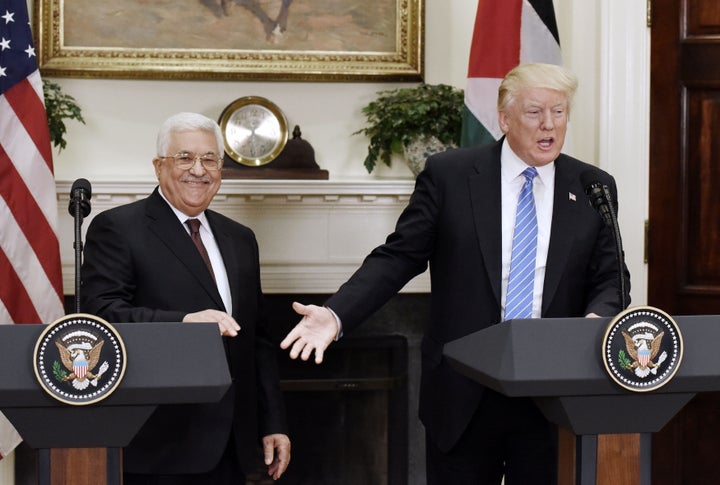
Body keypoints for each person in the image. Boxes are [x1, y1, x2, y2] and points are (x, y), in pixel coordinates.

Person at [280, 63, 631, 485]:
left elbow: (611, 279)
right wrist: (336, 315)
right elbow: (398, 257)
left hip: (551, 392)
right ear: (505, 117)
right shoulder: (451, 175)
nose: (550, 125)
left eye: (559, 112)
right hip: (465, 389)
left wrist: (594, 323)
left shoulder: (592, 185)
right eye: (536, 112)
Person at [81, 112, 291, 484]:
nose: (199, 169)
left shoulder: (240, 238)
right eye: (185, 157)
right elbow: (102, 318)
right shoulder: (117, 228)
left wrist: (272, 422)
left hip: (233, 447)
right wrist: (183, 324)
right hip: (157, 447)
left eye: (210, 159)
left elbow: (257, 340)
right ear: (159, 166)